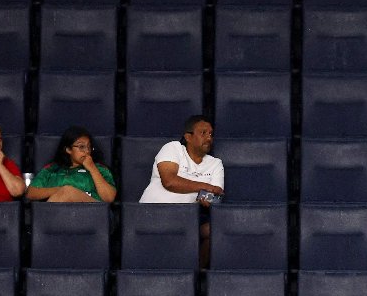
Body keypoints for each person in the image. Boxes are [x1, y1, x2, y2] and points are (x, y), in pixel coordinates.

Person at [138, 115, 224, 268]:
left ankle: (196, 275)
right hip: (150, 213)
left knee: (215, 230)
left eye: (211, 134)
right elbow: (169, 182)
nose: (209, 137)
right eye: (203, 133)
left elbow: (216, 198)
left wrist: (207, 193)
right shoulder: (173, 148)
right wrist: (205, 187)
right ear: (188, 137)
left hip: (183, 221)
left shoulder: (215, 164)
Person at [25, 126, 117, 202]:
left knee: (69, 192)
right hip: (59, 212)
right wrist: (60, 190)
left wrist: (92, 169)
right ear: (68, 150)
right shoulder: (52, 169)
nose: (87, 151)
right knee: (67, 191)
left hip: (92, 213)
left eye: (89, 147)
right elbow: (31, 193)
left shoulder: (100, 169)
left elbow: (109, 198)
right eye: (81, 147)